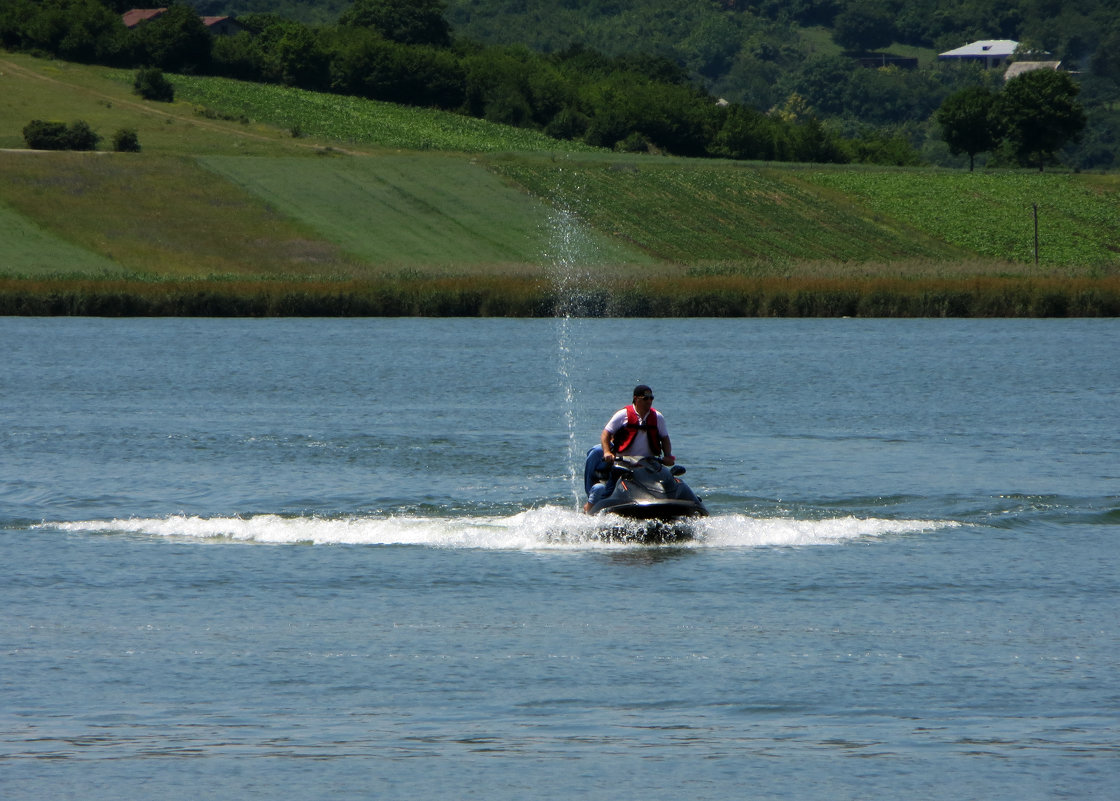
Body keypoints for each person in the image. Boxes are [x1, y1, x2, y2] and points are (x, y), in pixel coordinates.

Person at [583, 384, 675, 513]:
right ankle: (593, 510)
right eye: (645, 398)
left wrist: (668, 455)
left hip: (649, 464)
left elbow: (665, 438)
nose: (649, 401)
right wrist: (607, 452)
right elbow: (605, 434)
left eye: (651, 398)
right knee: (608, 490)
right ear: (636, 399)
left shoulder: (657, 417)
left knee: (667, 484)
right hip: (623, 464)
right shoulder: (622, 415)